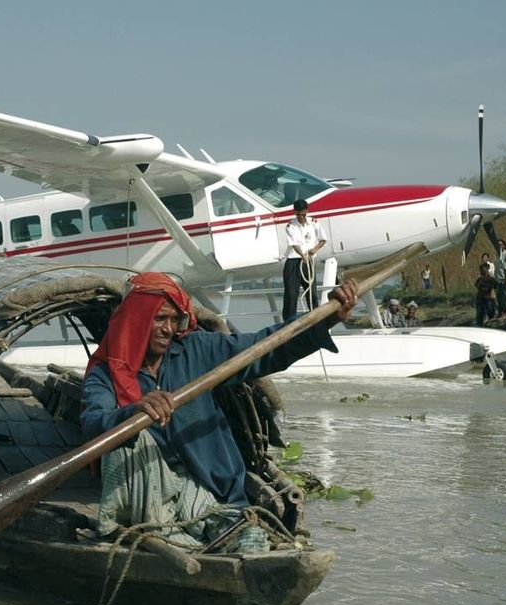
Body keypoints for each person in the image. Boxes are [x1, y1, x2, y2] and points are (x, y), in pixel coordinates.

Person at [81, 272, 358, 552]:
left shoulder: (196, 350)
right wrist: (131, 414)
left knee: (246, 537)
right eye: (159, 319)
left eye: (174, 320)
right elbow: (93, 424)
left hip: (213, 489)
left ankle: (221, 531)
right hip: (148, 494)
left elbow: (264, 348)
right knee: (128, 437)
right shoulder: (105, 374)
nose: (168, 329)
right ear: (137, 319)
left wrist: (326, 319)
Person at [281, 198, 327, 320]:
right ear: (294, 212)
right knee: (291, 294)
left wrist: (315, 250)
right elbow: (294, 244)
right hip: (294, 261)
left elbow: (323, 239)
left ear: (307, 211)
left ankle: (316, 320)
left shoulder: (314, 223)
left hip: (308, 262)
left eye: (303, 214)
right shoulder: (290, 225)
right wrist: (302, 255)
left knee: (312, 293)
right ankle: (288, 322)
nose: (301, 217)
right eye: (298, 215)